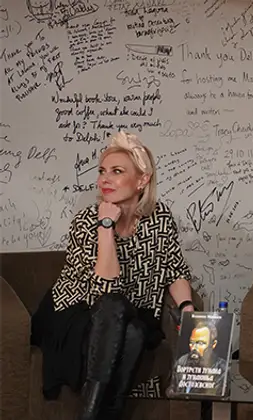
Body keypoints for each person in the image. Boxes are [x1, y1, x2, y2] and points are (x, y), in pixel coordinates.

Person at [30, 131, 196, 420]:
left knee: (133, 330)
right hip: (76, 316)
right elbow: (105, 292)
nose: (104, 179)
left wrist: (187, 307)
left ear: (142, 180)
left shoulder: (160, 218)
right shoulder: (86, 221)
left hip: (130, 316)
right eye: (102, 171)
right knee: (120, 313)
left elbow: (175, 269)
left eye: (117, 171)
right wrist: (105, 226)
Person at [170, 319, 228, 395]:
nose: (194, 348)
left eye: (200, 343)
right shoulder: (182, 361)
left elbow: (214, 396)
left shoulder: (222, 369)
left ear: (213, 344)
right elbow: (173, 389)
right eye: (192, 343)